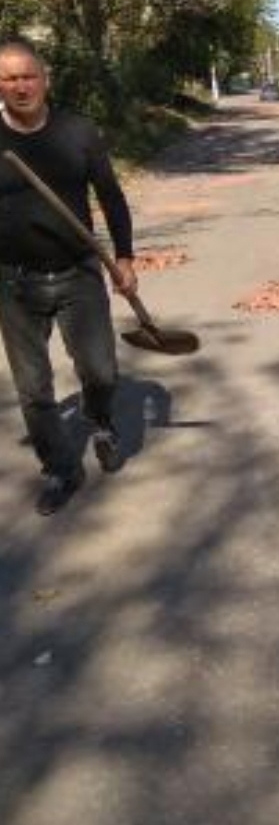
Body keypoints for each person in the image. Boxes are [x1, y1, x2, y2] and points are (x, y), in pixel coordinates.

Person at [0, 37, 138, 515]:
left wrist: (124, 258)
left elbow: (112, 196)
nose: (20, 86)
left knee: (100, 371)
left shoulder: (78, 131)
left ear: (45, 80)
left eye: (28, 76)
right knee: (33, 390)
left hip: (79, 271)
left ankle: (100, 420)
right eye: (9, 78)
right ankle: (61, 468)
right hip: (14, 283)